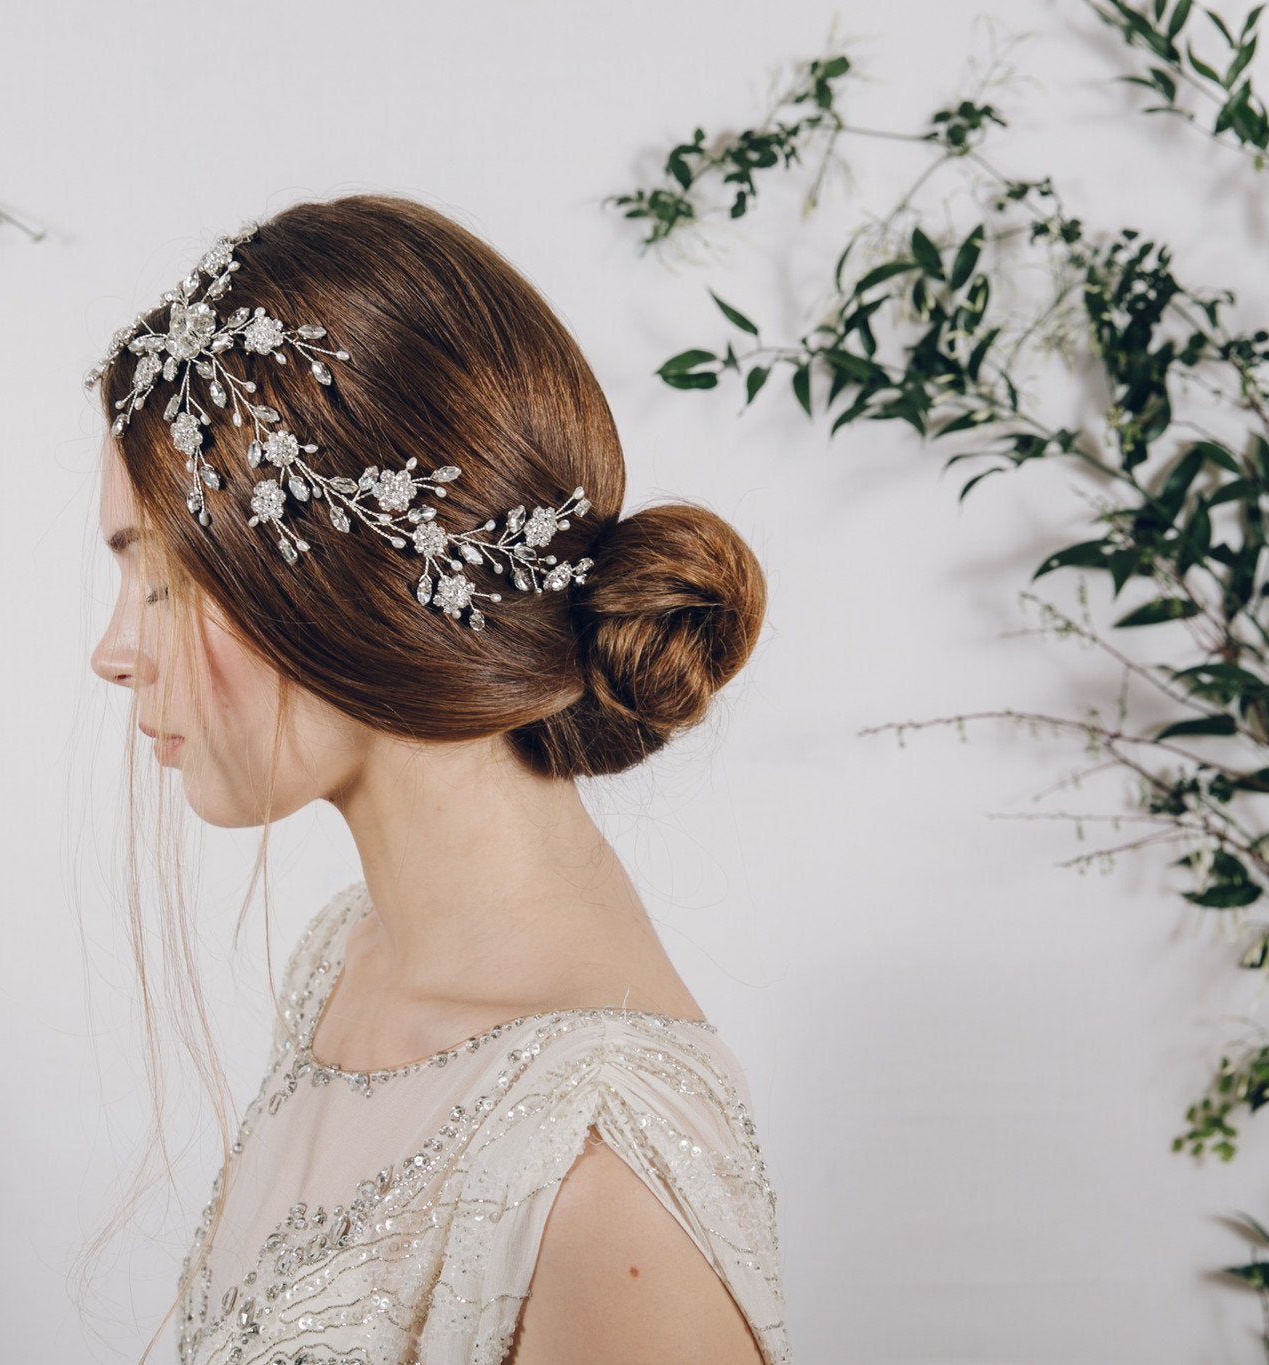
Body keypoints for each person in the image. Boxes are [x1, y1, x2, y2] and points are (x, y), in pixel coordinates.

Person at [85, 194, 789, 1365]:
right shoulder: (344, 964)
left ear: (342, 586)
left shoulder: (599, 1166)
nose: (113, 649)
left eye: (159, 580)